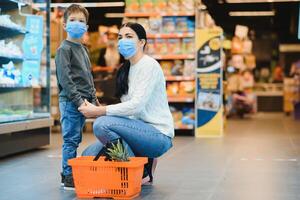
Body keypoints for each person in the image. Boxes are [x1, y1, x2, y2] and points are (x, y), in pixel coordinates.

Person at [78, 22, 174, 185]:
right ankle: (144, 161)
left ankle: (134, 172)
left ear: (142, 42)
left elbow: (137, 105)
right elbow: (128, 112)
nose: (123, 41)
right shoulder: (125, 70)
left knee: (101, 125)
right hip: (136, 131)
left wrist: (99, 111)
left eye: (129, 37)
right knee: (87, 155)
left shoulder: (149, 65)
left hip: (157, 134)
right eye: (120, 37)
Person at [55, 4, 99, 190]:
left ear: (86, 28)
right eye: (72, 20)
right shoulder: (63, 50)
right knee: (71, 140)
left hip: (84, 101)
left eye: (81, 21)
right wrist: (79, 101)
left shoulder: (83, 49)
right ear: (64, 25)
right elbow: (65, 79)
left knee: (76, 138)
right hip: (71, 102)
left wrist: (94, 99)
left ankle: (69, 172)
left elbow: (88, 77)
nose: (77, 24)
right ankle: (67, 176)